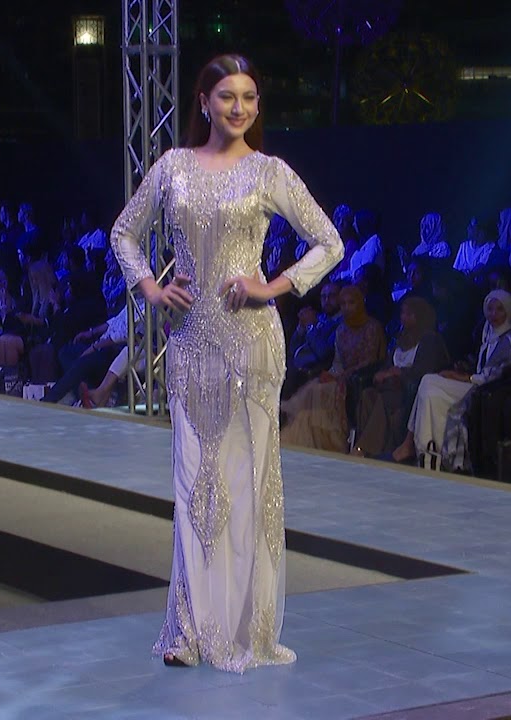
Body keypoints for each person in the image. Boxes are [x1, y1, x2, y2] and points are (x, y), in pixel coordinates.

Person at [109, 54, 343, 672]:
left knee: (246, 485)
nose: (239, 107)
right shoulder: (172, 167)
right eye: (227, 96)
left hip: (251, 346)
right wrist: (150, 287)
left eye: (249, 97)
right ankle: (189, 630)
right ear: (204, 102)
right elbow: (123, 233)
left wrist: (274, 286)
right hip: (190, 344)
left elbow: (330, 242)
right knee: (194, 485)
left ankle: (245, 630)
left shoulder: (269, 171)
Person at [391, 290, 511, 467]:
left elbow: (492, 376)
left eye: (500, 309)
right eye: (490, 309)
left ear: (508, 311)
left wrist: (462, 377)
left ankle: (413, 445)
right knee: (429, 387)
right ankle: (427, 450)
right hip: (475, 382)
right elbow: (481, 366)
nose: (494, 314)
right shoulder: (488, 332)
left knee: (429, 384)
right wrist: (463, 370)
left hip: (486, 390)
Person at [280, 285, 385, 452]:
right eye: (343, 304)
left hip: (358, 377)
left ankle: (332, 443)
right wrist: (331, 374)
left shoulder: (371, 327)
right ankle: (308, 439)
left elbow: (369, 360)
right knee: (316, 386)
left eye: (351, 303)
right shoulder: (342, 329)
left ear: (360, 303)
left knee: (322, 389)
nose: (347, 307)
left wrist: (340, 376)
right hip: (339, 374)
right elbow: (337, 362)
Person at [352, 295, 449, 458]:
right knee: (367, 395)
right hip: (389, 385)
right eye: (402, 313)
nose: (404, 317)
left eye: (409, 314)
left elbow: (425, 371)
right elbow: (388, 364)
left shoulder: (430, 339)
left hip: (409, 389)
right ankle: (375, 449)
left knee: (385, 399)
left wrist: (399, 373)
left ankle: (362, 448)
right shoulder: (400, 338)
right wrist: (382, 373)